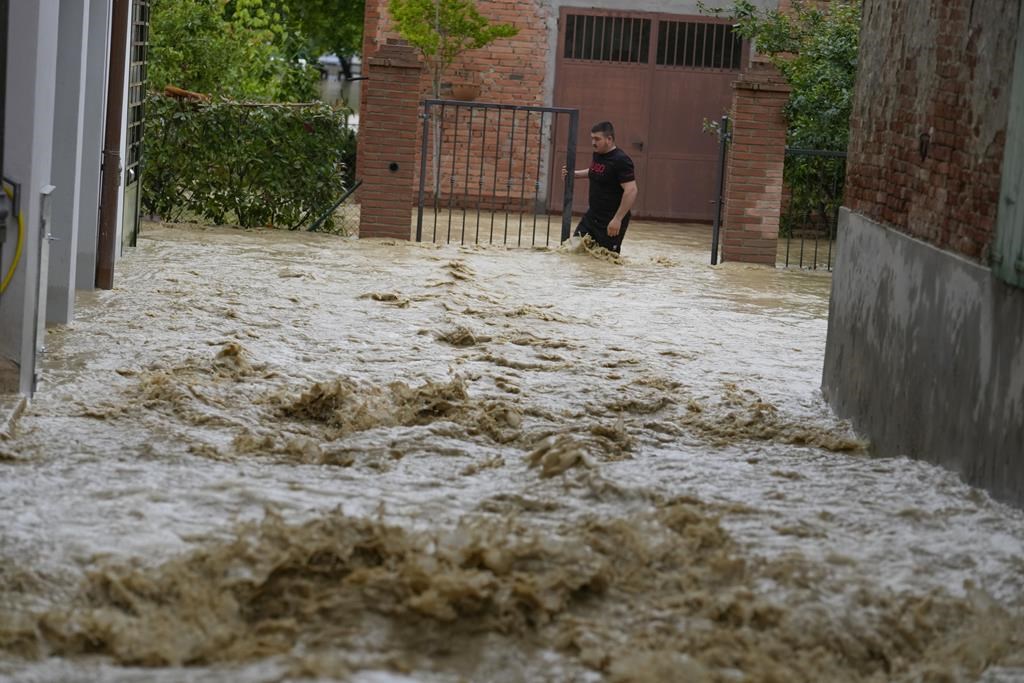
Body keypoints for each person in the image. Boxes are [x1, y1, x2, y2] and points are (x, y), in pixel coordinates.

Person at [562, 121, 639, 254]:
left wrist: (617, 220)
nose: (593, 142)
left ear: (609, 139)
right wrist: (574, 174)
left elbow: (631, 190)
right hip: (592, 216)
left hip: (610, 220)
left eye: (597, 139)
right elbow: (595, 171)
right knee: (574, 250)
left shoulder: (621, 160)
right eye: (592, 138)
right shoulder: (598, 154)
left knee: (605, 260)